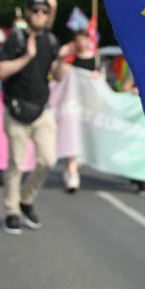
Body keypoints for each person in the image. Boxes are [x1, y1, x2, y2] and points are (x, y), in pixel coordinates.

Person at [0, 0, 72, 234]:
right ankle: (12, 211)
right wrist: (27, 56)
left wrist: (62, 60)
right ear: (28, 12)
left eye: (45, 11)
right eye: (36, 10)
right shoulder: (16, 38)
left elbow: (57, 76)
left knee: (48, 160)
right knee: (16, 165)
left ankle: (26, 199)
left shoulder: (50, 40)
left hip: (42, 111)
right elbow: (1, 70)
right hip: (17, 108)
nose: (40, 14)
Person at [61, 30, 100, 193]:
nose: (81, 43)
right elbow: (61, 75)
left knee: (84, 139)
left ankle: (73, 168)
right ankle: (72, 174)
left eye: (84, 39)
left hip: (88, 104)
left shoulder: (94, 57)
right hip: (72, 103)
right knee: (73, 135)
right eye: (78, 40)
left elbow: (100, 79)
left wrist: (96, 76)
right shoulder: (71, 58)